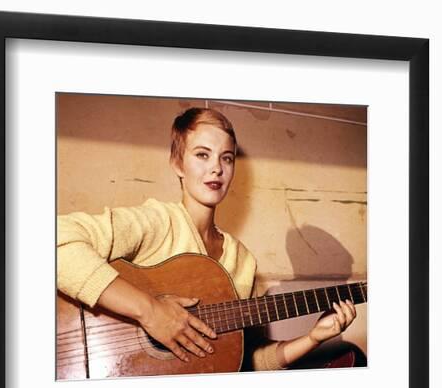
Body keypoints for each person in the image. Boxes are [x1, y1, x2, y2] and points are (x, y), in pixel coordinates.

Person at [57, 107, 358, 371]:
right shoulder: (158, 222)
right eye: (202, 155)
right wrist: (150, 311)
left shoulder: (242, 261)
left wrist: (313, 337)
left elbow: (244, 360)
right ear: (178, 163)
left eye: (226, 158)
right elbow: (55, 241)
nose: (216, 168)